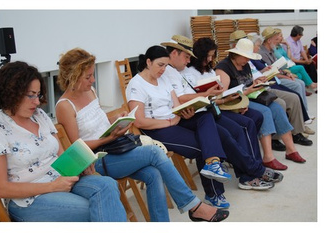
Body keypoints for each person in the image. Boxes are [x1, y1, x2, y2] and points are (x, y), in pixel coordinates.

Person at [55, 48, 229, 222]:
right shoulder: (64, 105)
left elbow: (98, 120)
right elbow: (76, 149)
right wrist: (109, 138)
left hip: (114, 147)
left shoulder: (89, 91)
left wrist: (115, 118)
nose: (93, 80)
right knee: (154, 152)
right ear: (72, 76)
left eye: (93, 75)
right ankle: (193, 206)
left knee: (154, 173)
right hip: (95, 161)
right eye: (88, 77)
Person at [126, 42, 277, 209]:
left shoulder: (162, 79)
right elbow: (139, 121)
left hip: (175, 121)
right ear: (148, 62)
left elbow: (176, 105)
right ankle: (219, 190)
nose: (163, 70)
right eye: (160, 65)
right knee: (205, 145)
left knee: (207, 118)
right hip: (156, 129)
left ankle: (216, 165)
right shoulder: (136, 84)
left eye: (165, 66)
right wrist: (169, 121)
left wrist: (183, 113)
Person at [0, 61, 127, 222]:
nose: (37, 102)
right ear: (11, 93)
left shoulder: (40, 116)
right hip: (29, 199)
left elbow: (63, 158)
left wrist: (80, 165)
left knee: (108, 185)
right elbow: (0, 188)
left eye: (38, 95)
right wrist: (52, 187)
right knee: (97, 208)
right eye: (31, 95)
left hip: (62, 181)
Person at [178, 37, 283, 188]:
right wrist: (226, 99)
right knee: (245, 125)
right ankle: (250, 174)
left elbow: (219, 94)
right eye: (207, 56)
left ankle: (252, 167)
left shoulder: (209, 70)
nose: (209, 59)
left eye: (212, 56)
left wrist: (234, 99)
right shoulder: (189, 73)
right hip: (210, 110)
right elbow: (207, 99)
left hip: (216, 108)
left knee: (253, 118)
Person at [215, 38, 308, 170]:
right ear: (236, 55)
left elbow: (247, 81)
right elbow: (223, 95)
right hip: (235, 101)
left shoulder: (244, 64)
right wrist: (249, 90)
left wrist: (257, 81)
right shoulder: (223, 68)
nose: (248, 60)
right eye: (246, 57)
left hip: (250, 96)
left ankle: (291, 149)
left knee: (276, 107)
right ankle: (268, 157)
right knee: (265, 112)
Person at [249, 32, 315, 141]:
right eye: (257, 45)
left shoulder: (257, 55)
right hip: (268, 83)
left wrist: (283, 73)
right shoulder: (255, 56)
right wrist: (273, 73)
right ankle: (284, 134)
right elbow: (259, 73)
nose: (259, 47)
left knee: (296, 93)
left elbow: (272, 67)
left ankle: (298, 129)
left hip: (272, 80)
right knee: (291, 95)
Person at [259, 27, 308, 113]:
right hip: (274, 79)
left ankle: (305, 112)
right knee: (297, 85)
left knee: (301, 83)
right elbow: (271, 72)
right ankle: (302, 113)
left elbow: (278, 67)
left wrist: (287, 73)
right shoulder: (263, 53)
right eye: (276, 39)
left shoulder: (271, 49)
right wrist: (285, 76)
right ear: (269, 40)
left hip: (279, 75)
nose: (278, 41)